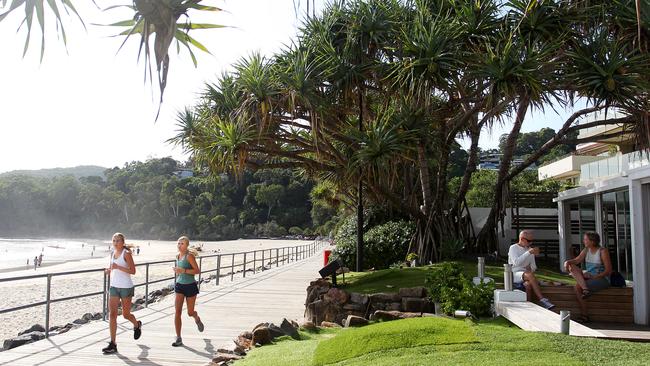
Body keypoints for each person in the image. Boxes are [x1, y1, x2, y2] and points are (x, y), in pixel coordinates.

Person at [102, 233, 142, 354]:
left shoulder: (127, 254)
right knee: (112, 314)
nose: (115, 243)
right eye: (114, 240)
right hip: (114, 286)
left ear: (123, 242)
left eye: (118, 241)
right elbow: (112, 268)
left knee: (125, 314)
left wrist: (118, 267)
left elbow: (133, 271)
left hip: (125, 287)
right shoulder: (112, 253)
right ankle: (113, 343)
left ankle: (137, 324)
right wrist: (109, 271)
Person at [564, 232, 612, 323]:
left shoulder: (602, 251)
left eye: (586, 239)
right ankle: (585, 289)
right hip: (589, 276)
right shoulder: (586, 250)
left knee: (577, 287)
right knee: (572, 266)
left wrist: (594, 276)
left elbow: (608, 271)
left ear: (592, 241)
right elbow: (576, 260)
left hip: (602, 278)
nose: (584, 241)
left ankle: (584, 315)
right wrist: (567, 262)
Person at [507, 230, 555, 309]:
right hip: (514, 274)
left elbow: (534, 267)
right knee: (529, 275)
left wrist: (530, 267)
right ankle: (542, 299)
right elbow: (516, 263)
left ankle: (529, 307)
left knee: (528, 285)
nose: (530, 243)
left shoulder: (529, 249)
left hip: (526, 275)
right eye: (529, 241)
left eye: (532, 241)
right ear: (522, 239)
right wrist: (528, 252)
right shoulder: (513, 248)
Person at [172, 236, 204, 347]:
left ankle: (197, 318)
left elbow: (197, 271)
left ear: (187, 245)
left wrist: (183, 270)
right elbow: (180, 271)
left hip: (190, 286)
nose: (180, 245)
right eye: (178, 243)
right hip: (179, 285)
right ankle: (178, 337)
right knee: (177, 312)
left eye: (182, 243)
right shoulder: (177, 256)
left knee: (190, 312)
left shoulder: (189, 256)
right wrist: (177, 271)